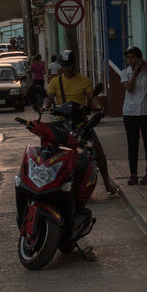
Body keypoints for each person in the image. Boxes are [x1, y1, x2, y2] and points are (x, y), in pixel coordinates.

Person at [43, 50, 120, 196]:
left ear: (74, 65)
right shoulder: (55, 82)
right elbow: (48, 98)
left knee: (98, 150)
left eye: (69, 65)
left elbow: (92, 97)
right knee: (48, 150)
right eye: (64, 66)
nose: (66, 68)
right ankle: (47, 183)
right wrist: (44, 106)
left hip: (81, 124)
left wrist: (97, 106)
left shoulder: (83, 80)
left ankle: (107, 184)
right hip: (62, 124)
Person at [120, 46, 147, 185]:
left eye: (133, 57)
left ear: (139, 58)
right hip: (131, 113)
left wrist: (146, 66)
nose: (130, 60)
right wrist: (135, 72)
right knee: (133, 144)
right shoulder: (125, 72)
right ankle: (133, 174)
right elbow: (129, 88)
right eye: (128, 58)